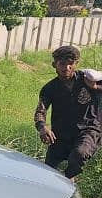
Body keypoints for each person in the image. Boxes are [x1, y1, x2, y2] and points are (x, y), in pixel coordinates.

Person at [34, 46, 102, 181]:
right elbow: (40, 111)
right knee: (47, 171)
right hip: (61, 134)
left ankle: (68, 181)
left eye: (71, 64)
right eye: (62, 64)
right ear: (55, 65)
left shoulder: (87, 79)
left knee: (79, 154)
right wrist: (42, 127)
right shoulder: (49, 89)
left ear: (76, 64)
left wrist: (95, 87)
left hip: (89, 130)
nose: (67, 67)